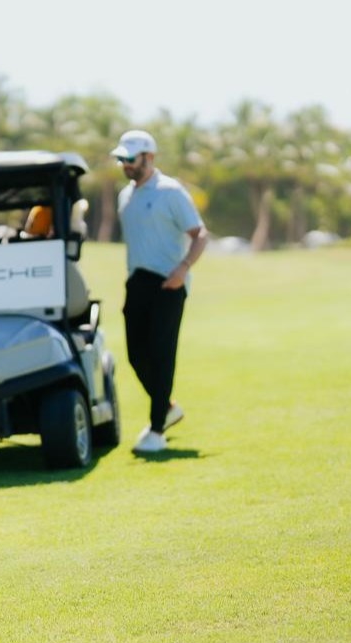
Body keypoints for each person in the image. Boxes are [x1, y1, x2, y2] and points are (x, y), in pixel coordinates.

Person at [111, 130, 208, 454]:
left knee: (161, 355)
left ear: (148, 158)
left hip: (168, 284)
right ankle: (166, 407)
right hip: (137, 282)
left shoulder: (170, 192)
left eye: (130, 158)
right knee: (137, 356)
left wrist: (183, 269)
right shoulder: (125, 196)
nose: (124, 164)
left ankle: (156, 430)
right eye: (121, 159)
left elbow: (199, 234)